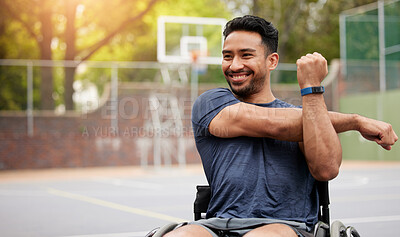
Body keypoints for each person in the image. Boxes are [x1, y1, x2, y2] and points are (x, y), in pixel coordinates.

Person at [165, 15, 398, 237]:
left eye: (246, 55)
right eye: (227, 56)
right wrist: (355, 121)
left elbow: (326, 170)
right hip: (217, 225)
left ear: (272, 61)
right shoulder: (211, 103)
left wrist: (311, 88)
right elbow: (273, 123)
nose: (235, 65)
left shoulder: (306, 115)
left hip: (287, 227)